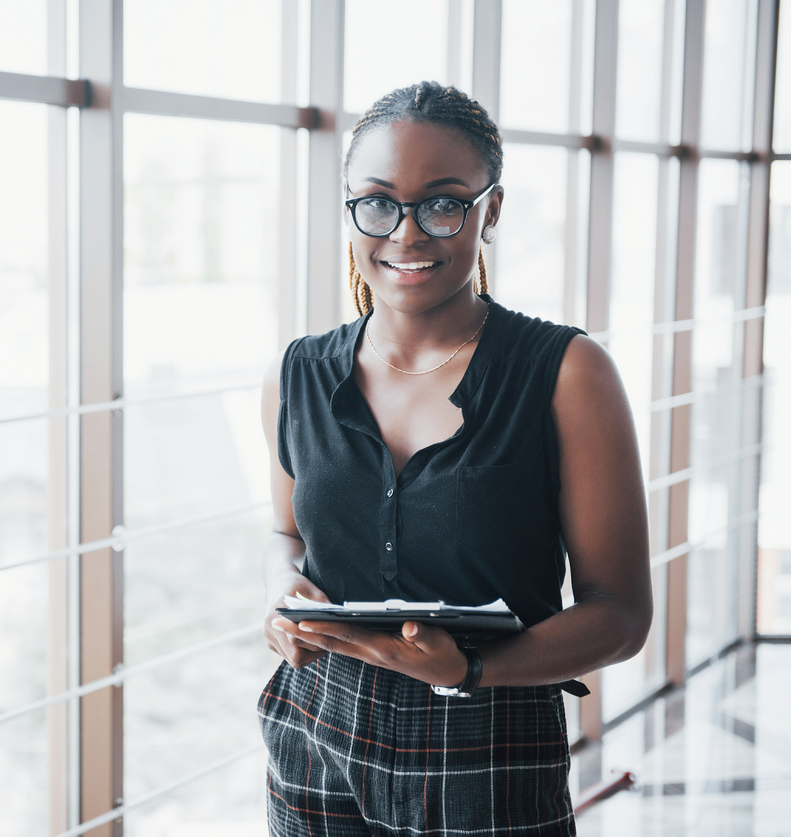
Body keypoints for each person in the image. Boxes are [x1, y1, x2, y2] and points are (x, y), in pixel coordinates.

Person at [257, 81, 653, 836]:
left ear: (490, 210)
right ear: (350, 208)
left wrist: (471, 668)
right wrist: (282, 591)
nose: (406, 234)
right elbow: (287, 536)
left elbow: (622, 614)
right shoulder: (297, 373)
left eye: (442, 203)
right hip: (313, 724)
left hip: (488, 740)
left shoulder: (568, 371)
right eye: (377, 202)